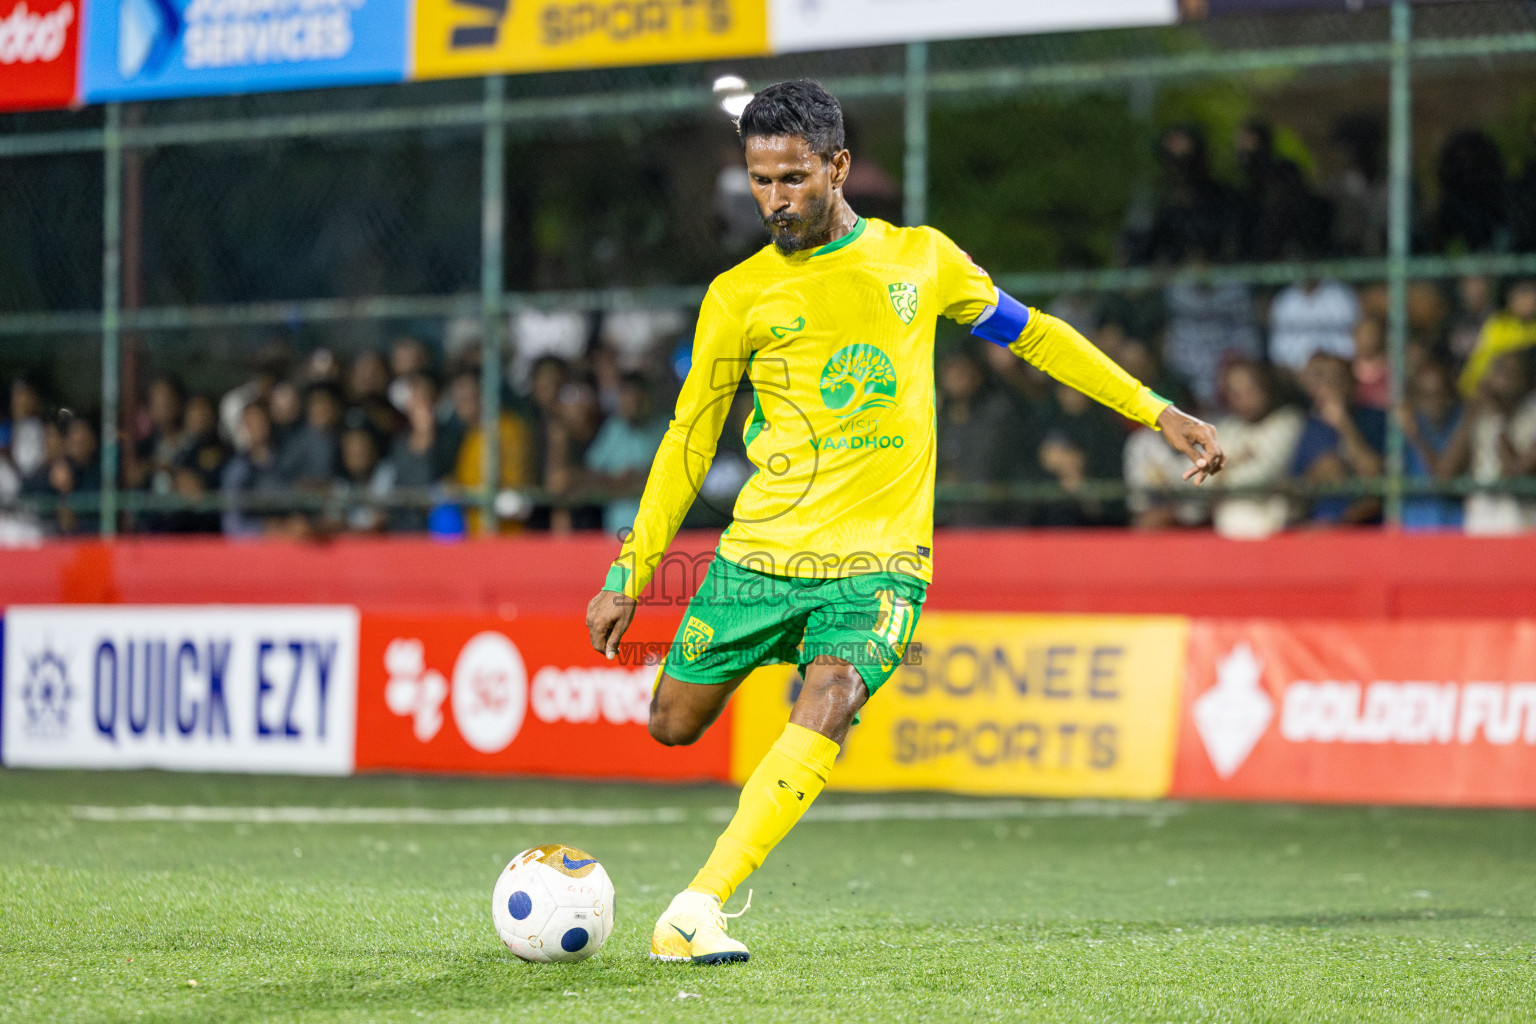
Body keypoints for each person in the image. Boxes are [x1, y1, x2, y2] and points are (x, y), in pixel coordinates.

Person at [582, 81, 1224, 966]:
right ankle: (790, 658)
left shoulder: (919, 260)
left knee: (833, 695)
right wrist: (631, 572)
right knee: (672, 722)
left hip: (881, 561)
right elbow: (687, 443)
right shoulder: (738, 295)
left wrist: (1155, 410)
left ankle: (698, 905)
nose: (775, 200)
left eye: (793, 179)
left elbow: (1033, 335)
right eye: (759, 181)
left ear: (838, 167)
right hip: (761, 555)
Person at [1208, 360, 1305, 538]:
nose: (1245, 398)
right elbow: (1195, 477)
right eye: (1236, 393)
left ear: (1265, 387)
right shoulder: (1226, 428)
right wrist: (1236, 462)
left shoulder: (1287, 421)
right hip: (1227, 533)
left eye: (1250, 389)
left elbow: (1261, 474)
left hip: (1272, 530)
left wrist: (1223, 469)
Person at [1291, 353, 1386, 526]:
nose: (1332, 386)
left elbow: (1376, 476)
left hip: (1366, 528)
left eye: (1339, 379)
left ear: (1353, 383)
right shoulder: (1310, 426)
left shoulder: (1375, 419)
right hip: (1320, 527)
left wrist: (1344, 424)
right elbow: (1300, 484)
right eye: (1325, 380)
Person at [584, 373, 668, 536]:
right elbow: (590, 471)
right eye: (627, 397)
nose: (632, 403)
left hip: (660, 532)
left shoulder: (666, 429)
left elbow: (677, 474)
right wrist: (614, 480)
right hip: (617, 530)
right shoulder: (613, 429)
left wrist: (643, 477)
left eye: (637, 397)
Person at [1267, 278, 1361, 376]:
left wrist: (1324, 362)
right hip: (1298, 376)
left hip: (1336, 370)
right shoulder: (1284, 301)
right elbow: (1278, 354)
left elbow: (1352, 346)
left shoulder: (1340, 294)